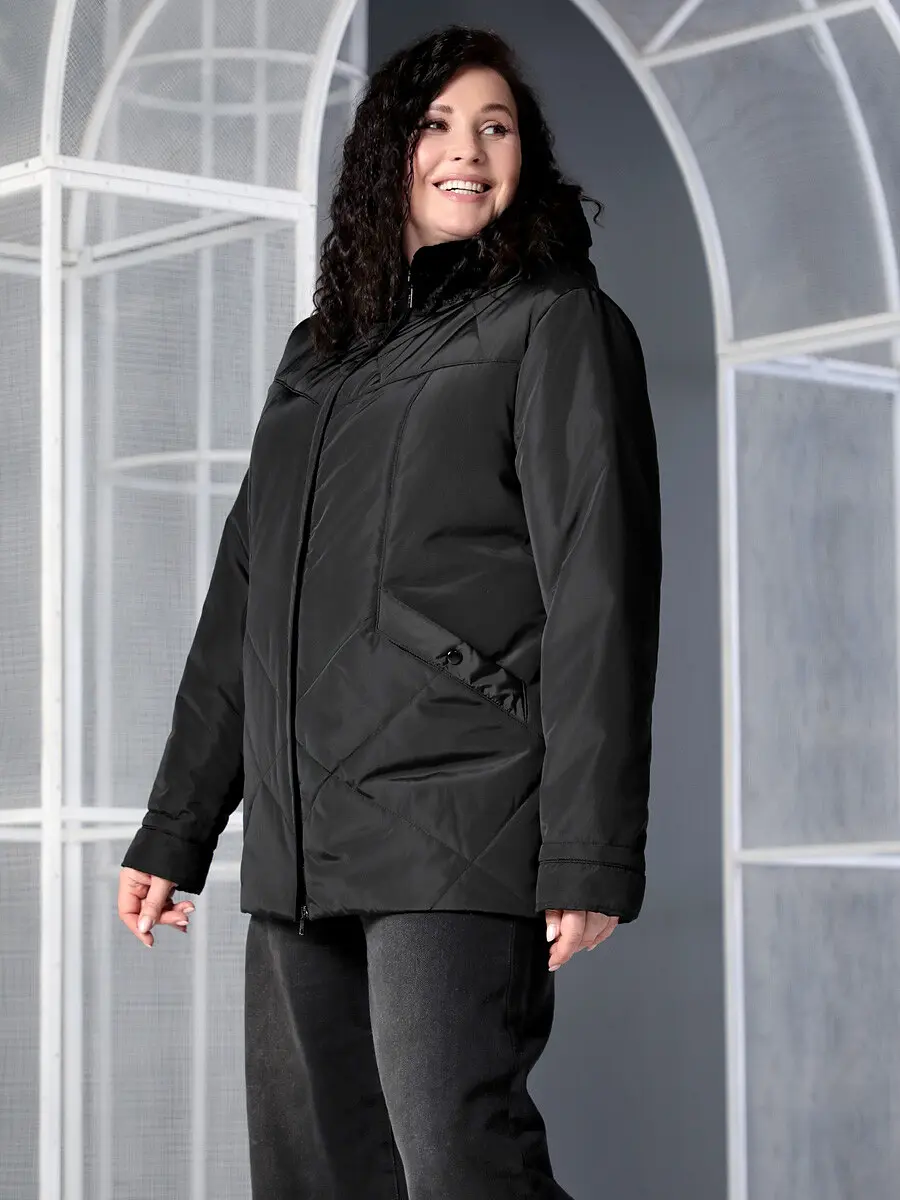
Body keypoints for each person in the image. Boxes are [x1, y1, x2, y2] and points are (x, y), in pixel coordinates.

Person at [117, 24, 662, 1200]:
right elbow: (244, 601)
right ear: (387, 155)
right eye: (438, 125)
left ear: (525, 157)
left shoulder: (553, 323)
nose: (469, 150)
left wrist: (588, 849)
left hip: (454, 819)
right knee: (314, 1176)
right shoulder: (315, 360)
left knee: (464, 1166)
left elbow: (600, 593)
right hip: (299, 844)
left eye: (496, 127)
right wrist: (177, 829)